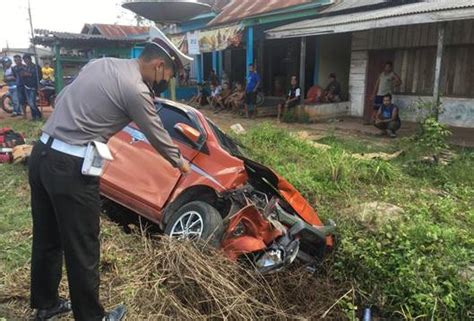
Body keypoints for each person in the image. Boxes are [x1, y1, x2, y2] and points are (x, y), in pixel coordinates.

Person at [28, 41, 191, 321]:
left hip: (42, 153)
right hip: (71, 169)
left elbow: (65, 95)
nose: (166, 82)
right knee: (83, 246)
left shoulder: (102, 63)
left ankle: (46, 304)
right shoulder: (136, 90)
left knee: (47, 236)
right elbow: (156, 132)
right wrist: (179, 161)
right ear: (159, 66)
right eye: (169, 77)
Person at [21, 54, 43, 120]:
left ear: (30, 59)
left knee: (31, 103)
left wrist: (29, 74)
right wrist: (23, 75)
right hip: (26, 86)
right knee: (30, 103)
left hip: (33, 86)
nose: (25, 61)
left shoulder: (36, 67)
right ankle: (34, 117)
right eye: (24, 60)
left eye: (26, 59)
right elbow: (23, 75)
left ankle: (39, 115)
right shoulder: (25, 67)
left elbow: (40, 76)